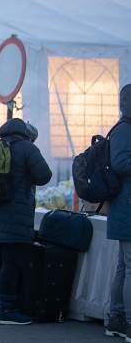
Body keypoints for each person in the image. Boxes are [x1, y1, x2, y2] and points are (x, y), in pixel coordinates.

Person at [0, 118, 52, 325]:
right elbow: (44, 176)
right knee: (11, 263)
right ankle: (8, 310)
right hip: (15, 215)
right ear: (26, 134)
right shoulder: (26, 148)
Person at [106, 84, 131, 342]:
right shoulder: (125, 130)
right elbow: (121, 162)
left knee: (123, 267)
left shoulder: (123, 128)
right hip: (127, 207)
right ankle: (127, 322)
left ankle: (116, 318)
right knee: (128, 267)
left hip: (124, 206)